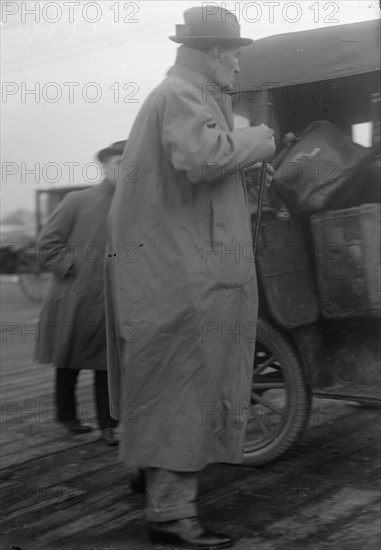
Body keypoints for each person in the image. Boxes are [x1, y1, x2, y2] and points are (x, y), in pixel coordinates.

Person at [106, 5, 275, 548]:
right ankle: (172, 517)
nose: (239, 69)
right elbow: (201, 159)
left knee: (163, 385)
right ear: (216, 54)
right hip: (182, 278)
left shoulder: (183, 95)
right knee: (184, 388)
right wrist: (261, 140)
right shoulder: (184, 94)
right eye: (235, 56)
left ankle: (150, 477)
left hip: (172, 271)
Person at [34, 141, 126, 446]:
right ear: (103, 166)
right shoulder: (77, 200)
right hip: (75, 296)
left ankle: (108, 424)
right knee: (69, 359)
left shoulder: (133, 204)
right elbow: (47, 244)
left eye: (127, 164)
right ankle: (67, 416)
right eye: (115, 163)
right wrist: (74, 268)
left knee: (108, 364)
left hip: (113, 298)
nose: (121, 169)